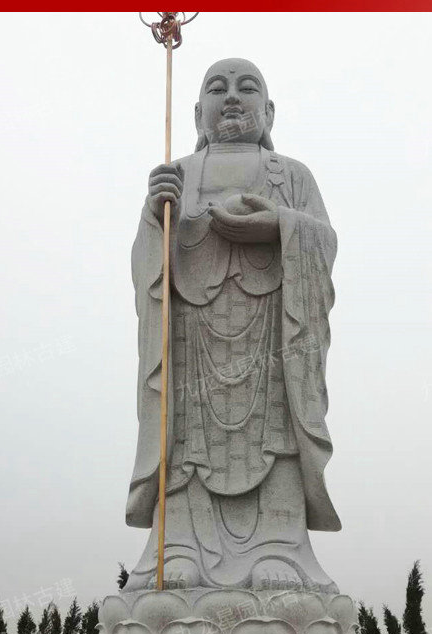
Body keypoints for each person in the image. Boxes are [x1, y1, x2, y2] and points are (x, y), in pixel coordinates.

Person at [124, 58, 341, 593]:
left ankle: (279, 546)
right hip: (190, 339)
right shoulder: (178, 173)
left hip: (272, 338)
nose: (233, 98)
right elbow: (146, 265)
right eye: (218, 89)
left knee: (276, 428)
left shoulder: (291, 174)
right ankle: (177, 547)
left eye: (248, 88)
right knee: (182, 436)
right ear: (197, 112)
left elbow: (324, 241)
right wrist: (156, 216)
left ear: (270, 111)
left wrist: (280, 226)